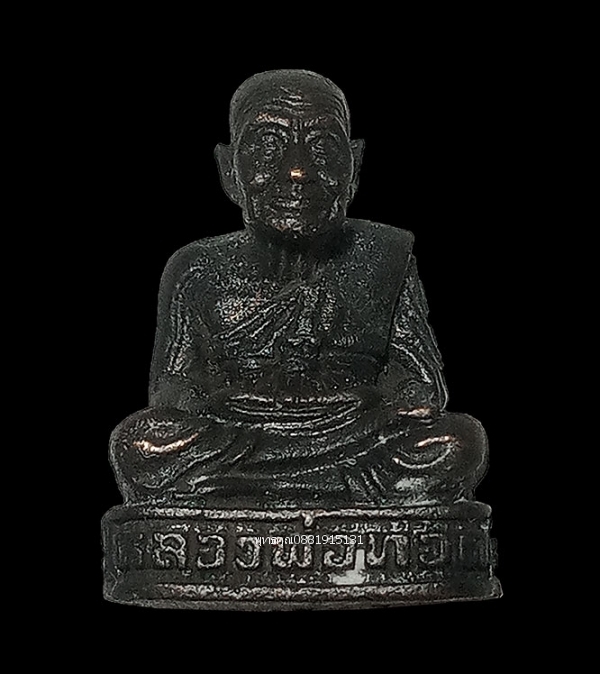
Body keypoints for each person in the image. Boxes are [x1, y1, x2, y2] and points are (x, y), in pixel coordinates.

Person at [109, 69, 487, 508]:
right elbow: (170, 387)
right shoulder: (196, 268)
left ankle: (246, 491)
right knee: (139, 444)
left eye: (322, 145)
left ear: (354, 164)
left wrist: (406, 399)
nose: (297, 170)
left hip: (352, 427)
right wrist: (202, 402)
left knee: (460, 440)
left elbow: (420, 380)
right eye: (268, 145)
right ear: (229, 169)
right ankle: (334, 490)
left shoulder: (385, 258)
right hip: (242, 430)